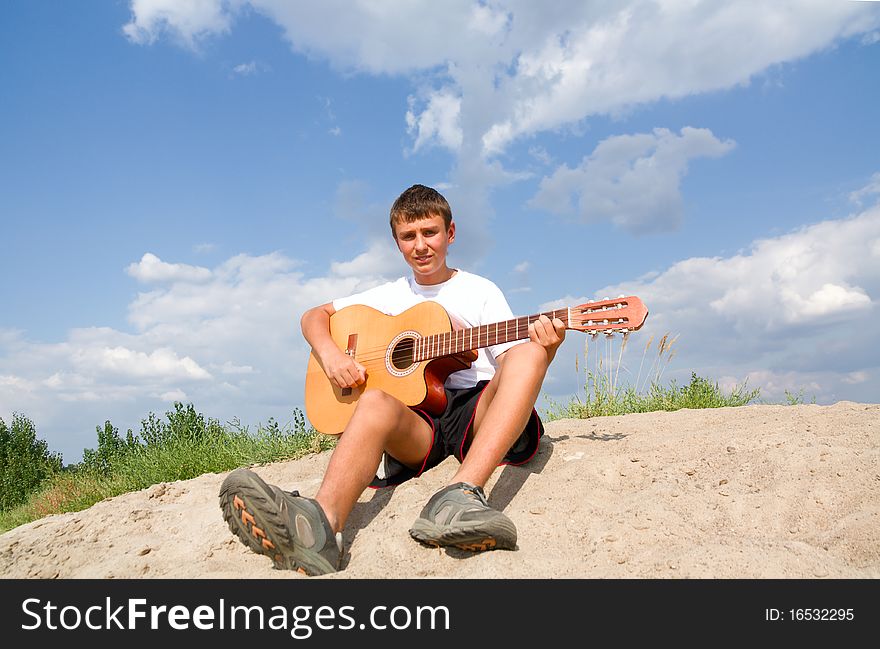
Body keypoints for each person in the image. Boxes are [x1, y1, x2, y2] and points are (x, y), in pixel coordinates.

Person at [219, 184, 566, 576]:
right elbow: (313, 315)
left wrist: (546, 351)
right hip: (418, 425)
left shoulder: (481, 291)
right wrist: (332, 356)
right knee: (373, 400)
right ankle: (320, 527)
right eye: (408, 236)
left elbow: (512, 370)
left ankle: (461, 494)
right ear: (397, 242)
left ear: (450, 234)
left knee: (529, 351)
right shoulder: (388, 296)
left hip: (477, 413)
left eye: (430, 232)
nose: (421, 245)